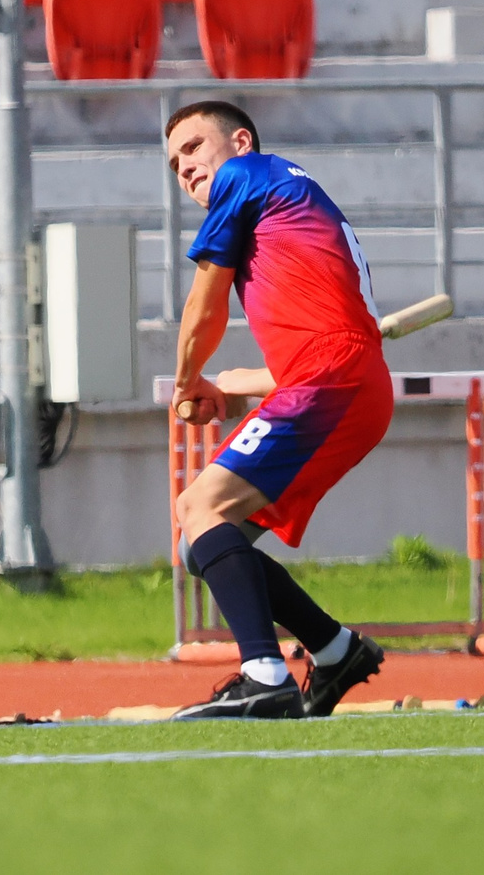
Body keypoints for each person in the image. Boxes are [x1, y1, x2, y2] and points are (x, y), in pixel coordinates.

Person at [165, 99, 393, 719]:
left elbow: (203, 310)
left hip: (332, 375)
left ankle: (264, 676)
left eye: (193, 147)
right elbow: (331, 334)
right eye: (174, 163)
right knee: (208, 541)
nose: (184, 168)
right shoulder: (287, 194)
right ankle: (334, 648)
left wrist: (188, 381)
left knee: (199, 507)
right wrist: (237, 384)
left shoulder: (244, 176)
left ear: (239, 142)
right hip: (347, 380)